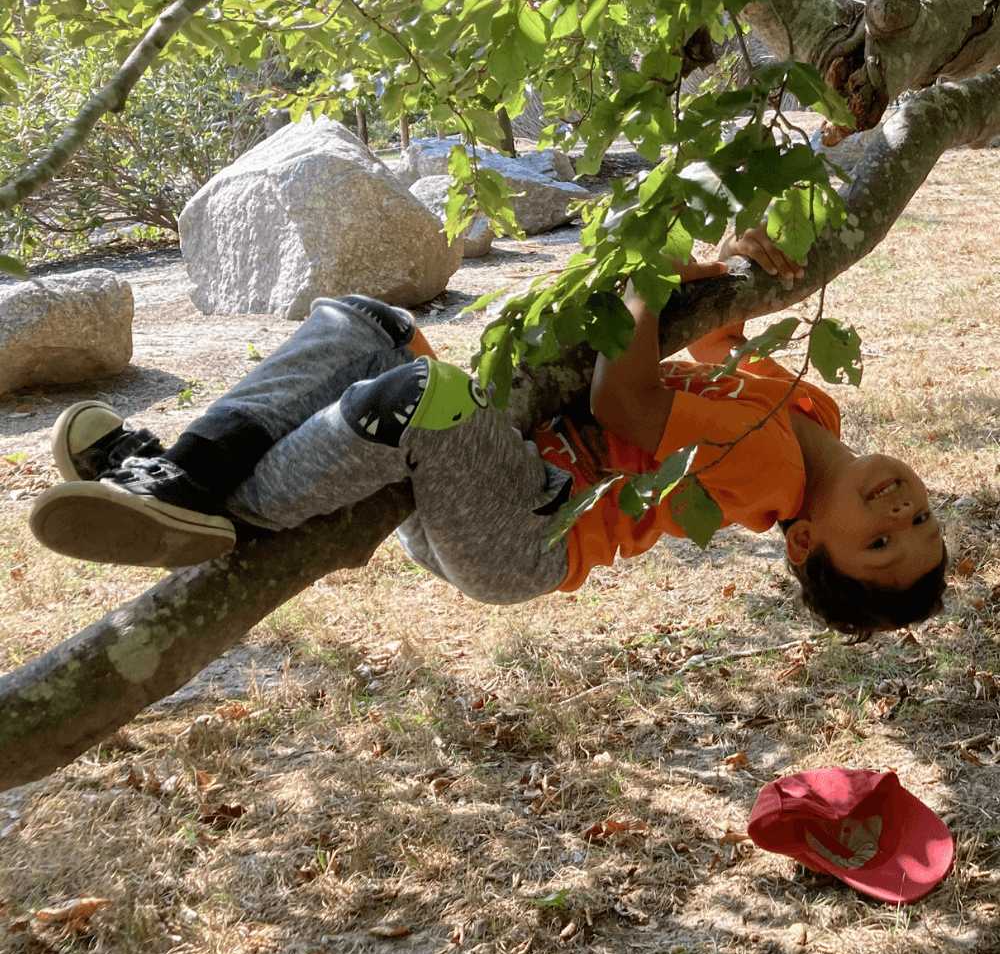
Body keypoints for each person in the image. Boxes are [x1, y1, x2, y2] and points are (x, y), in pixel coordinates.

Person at [27, 230, 948, 638]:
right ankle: (179, 478)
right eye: (923, 524)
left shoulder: (771, 470)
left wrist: (645, 285)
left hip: (524, 527)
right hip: (497, 472)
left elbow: (627, 407)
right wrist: (737, 271)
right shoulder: (808, 415)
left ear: (801, 544)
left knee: (419, 390)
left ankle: (222, 507)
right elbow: (712, 352)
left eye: (877, 545)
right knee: (368, 323)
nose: (901, 514)